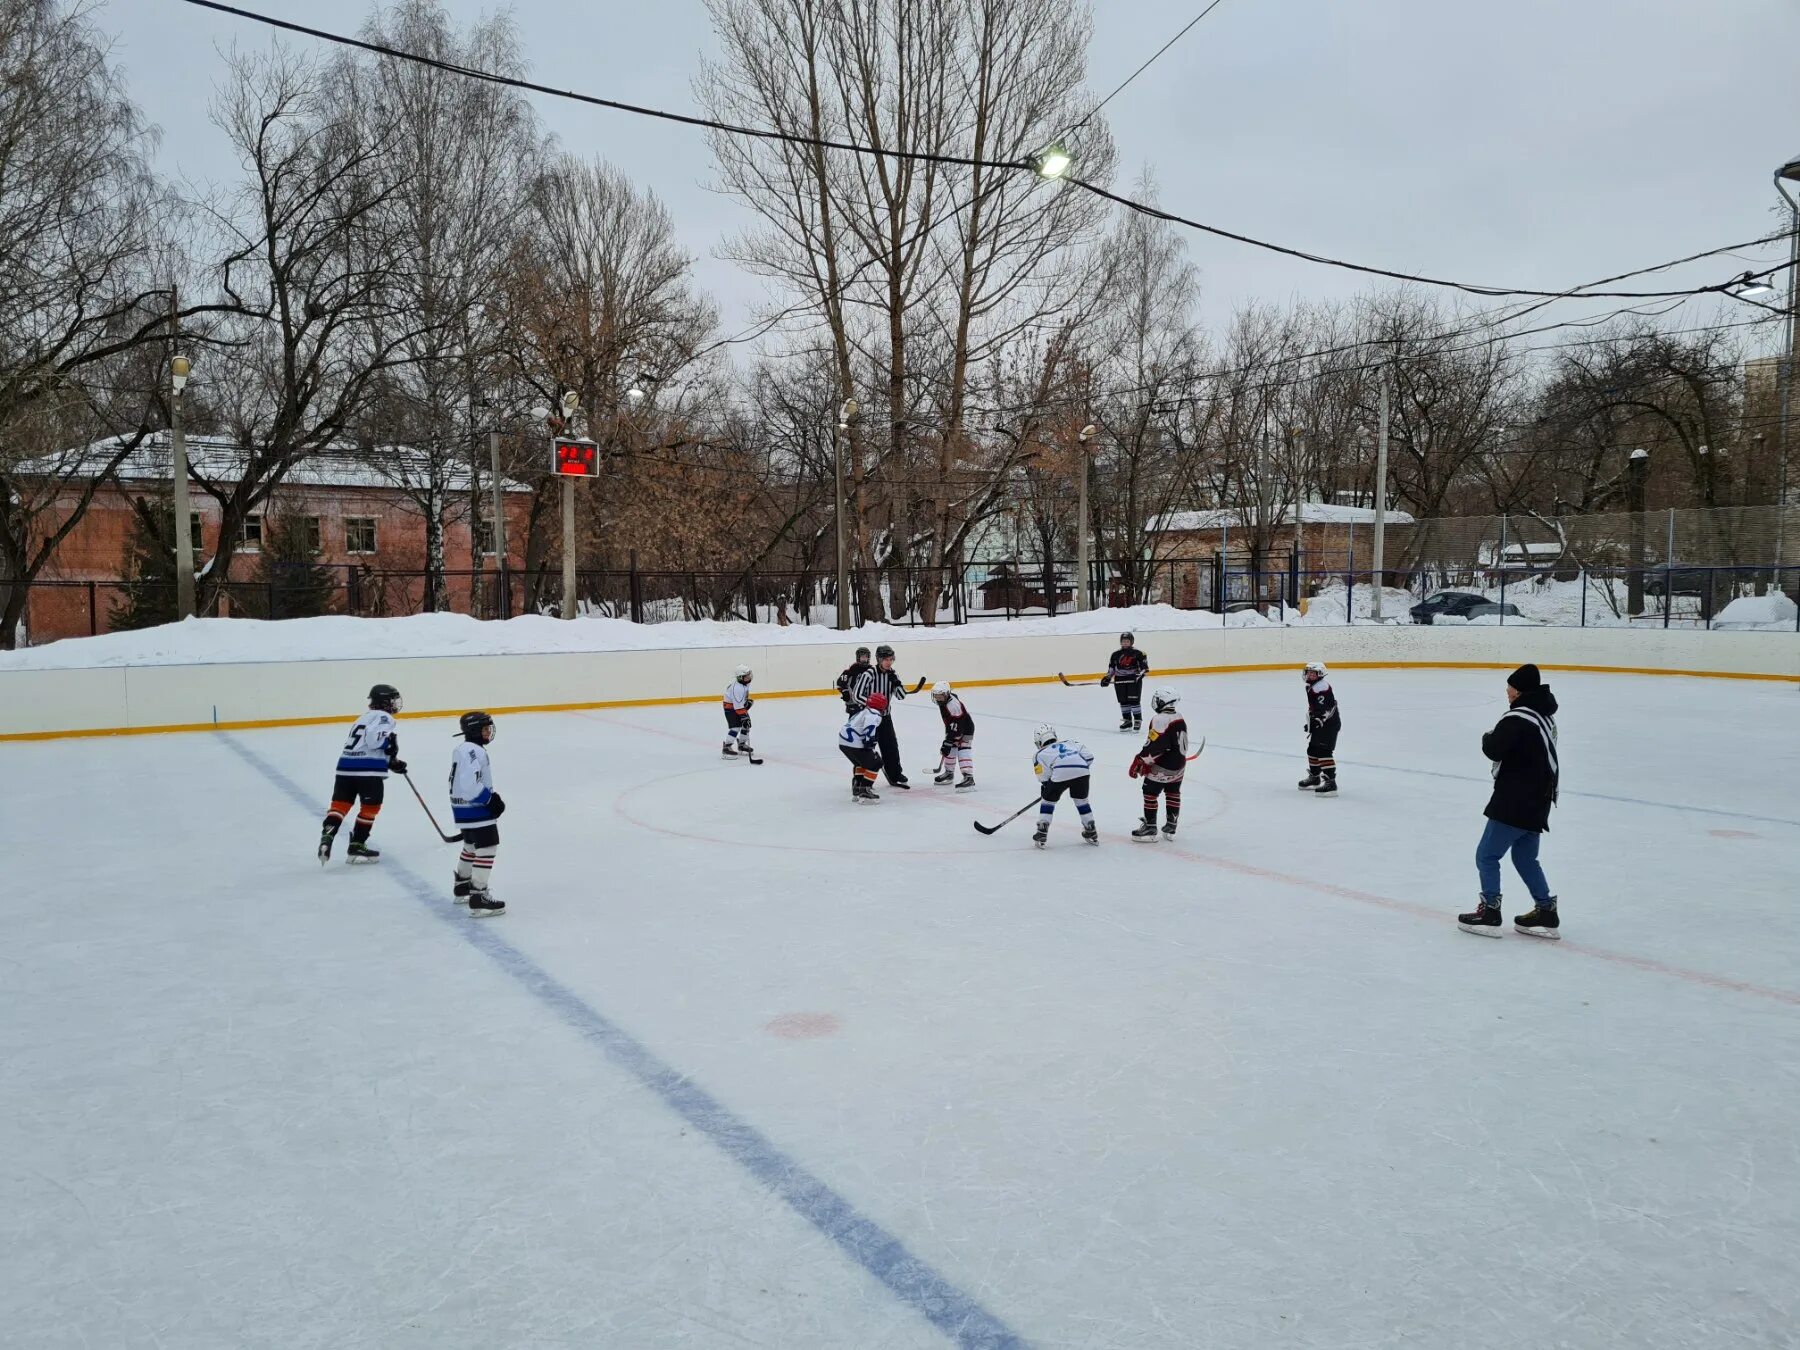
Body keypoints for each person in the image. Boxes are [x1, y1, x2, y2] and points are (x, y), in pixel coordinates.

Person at [1458, 664, 1561, 939]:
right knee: (1525, 857)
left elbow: (1494, 747)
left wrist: (1487, 736)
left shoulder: (1518, 718)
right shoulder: (1544, 716)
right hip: (1539, 799)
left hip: (1516, 799)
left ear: (1520, 691)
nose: (1507, 691)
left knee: (1487, 855)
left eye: (1511, 687)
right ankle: (1546, 910)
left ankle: (1490, 910)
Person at [318, 682, 407, 864]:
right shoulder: (384, 717)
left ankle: (327, 836)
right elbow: (375, 741)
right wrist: (388, 745)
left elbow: (364, 746)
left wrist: (392, 762)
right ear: (384, 702)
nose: (395, 704)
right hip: (367, 772)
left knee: (340, 806)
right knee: (370, 808)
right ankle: (357, 844)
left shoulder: (363, 718)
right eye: (392, 700)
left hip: (345, 768)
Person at [450, 711, 506, 915]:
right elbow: (469, 784)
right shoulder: (474, 751)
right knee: (488, 846)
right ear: (474, 730)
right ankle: (478, 895)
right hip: (474, 806)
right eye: (484, 728)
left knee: (471, 846)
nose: (488, 732)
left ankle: (463, 885)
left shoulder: (464, 748)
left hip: (461, 807)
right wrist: (489, 799)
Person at [1130, 688, 1189, 840]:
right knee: (1173, 792)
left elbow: (1156, 745)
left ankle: (1150, 827)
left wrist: (1141, 760)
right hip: (1179, 765)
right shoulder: (1179, 716)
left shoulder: (1160, 719)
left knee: (1149, 793)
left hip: (1163, 765)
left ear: (1162, 701)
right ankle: (1171, 824)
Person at [850, 643, 911, 787]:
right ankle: (859, 778)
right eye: (886, 659)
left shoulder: (893, 674)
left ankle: (894, 773)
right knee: (865, 749)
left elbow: (901, 696)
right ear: (878, 659)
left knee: (891, 747)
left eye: (891, 659)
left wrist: (896, 683)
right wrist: (872, 705)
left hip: (885, 718)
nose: (889, 662)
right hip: (868, 717)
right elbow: (857, 695)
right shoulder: (869, 674)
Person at [1031, 723, 1098, 847]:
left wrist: (1047, 788)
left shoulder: (1039, 754)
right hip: (1082, 771)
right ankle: (1090, 829)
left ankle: (1042, 830)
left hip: (1059, 773)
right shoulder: (1071, 742)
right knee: (1081, 801)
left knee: (1048, 802)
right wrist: (1077, 769)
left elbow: (1043, 777)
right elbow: (1089, 757)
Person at [1298, 661, 1341, 795]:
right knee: (1312, 749)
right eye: (1308, 672)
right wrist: (1312, 721)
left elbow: (1328, 708)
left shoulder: (1321, 687)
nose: (1309, 675)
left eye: (1313, 673)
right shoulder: (1313, 686)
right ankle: (1315, 778)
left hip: (1329, 725)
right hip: (1321, 723)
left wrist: (1319, 720)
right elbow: (1315, 707)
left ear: (1320, 674)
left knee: (1324, 752)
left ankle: (1331, 783)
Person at [838, 691, 887, 803]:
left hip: (844, 742)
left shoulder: (864, 711)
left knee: (861, 763)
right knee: (876, 763)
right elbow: (869, 727)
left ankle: (857, 786)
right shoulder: (874, 713)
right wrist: (869, 740)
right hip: (854, 743)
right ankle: (865, 789)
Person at [929, 682, 975, 791]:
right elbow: (952, 725)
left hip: (966, 729)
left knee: (963, 749)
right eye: (935, 695)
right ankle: (949, 773)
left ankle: (968, 777)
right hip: (954, 728)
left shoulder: (953, 706)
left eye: (940, 695)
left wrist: (949, 740)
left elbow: (958, 725)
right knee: (950, 749)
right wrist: (948, 742)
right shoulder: (944, 700)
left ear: (946, 694)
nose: (937, 698)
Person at [1101, 631, 1150, 732]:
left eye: (1127, 641)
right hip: (1119, 679)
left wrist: (1138, 676)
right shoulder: (1115, 654)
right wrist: (1107, 678)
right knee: (1123, 701)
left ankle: (1137, 720)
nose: (1125, 643)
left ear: (1131, 642)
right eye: (1123, 641)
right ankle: (1127, 721)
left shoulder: (1139, 653)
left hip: (1133, 680)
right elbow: (1111, 668)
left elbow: (1144, 668)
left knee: (1134, 700)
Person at [722, 664, 754, 758]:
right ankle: (726, 748)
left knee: (746, 725)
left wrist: (746, 703)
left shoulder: (744, 683)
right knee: (735, 727)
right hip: (730, 708)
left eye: (749, 675)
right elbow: (737, 706)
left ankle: (742, 744)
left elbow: (740, 702)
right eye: (746, 676)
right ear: (740, 677)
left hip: (738, 707)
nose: (749, 677)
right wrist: (744, 716)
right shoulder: (737, 688)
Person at [835, 646, 872, 711]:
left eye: (866, 657)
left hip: (868, 702)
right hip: (854, 703)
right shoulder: (852, 669)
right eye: (862, 657)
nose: (864, 659)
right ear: (858, 658)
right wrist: (845, 691)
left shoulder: (871, 669)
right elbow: (840, 682)